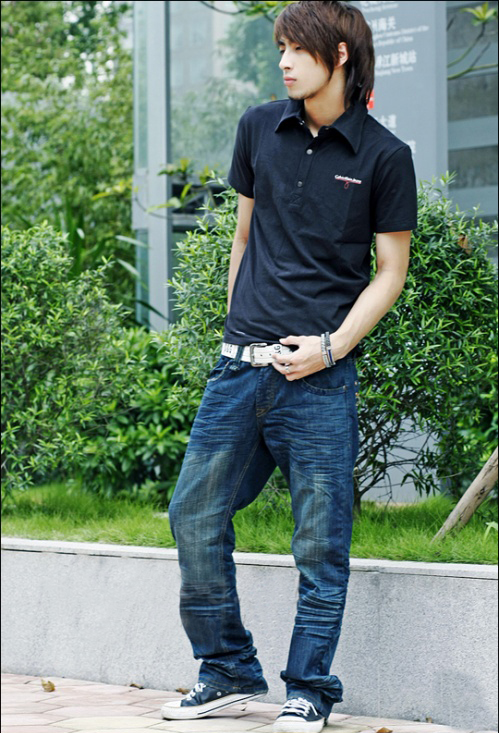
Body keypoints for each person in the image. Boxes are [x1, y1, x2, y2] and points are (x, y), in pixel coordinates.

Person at [161, 2, 417, 731]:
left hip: (320, 380)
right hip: (239, 370)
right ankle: (226, 668)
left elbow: (390, 271)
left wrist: (331, 347)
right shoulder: (258, 128)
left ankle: (309, 688)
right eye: (279, 47)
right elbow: (243, 236)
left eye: (296, 48)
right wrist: (233, 330)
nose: (282, 61)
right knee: (192, 513)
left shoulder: (384, 156)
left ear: (339, 55)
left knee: (319, 543)